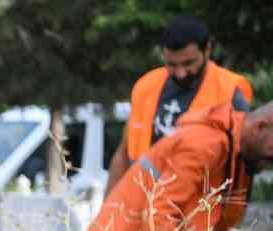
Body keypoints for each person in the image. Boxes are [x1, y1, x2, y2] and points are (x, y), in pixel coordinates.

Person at [76, 102, 272, 231]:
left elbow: (203, 228)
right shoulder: (207, 144)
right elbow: (160, 210)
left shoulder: (238, 158)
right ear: (260, 127)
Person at [104, 15, 253, 200]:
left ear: (207, 50)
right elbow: (123, 154)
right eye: (172, 65)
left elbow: (248, 162)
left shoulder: (229, 92)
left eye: (188, 63)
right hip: (144, 206)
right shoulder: (146, 87)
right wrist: (107, 213)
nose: (181, 73)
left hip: (197, 211)